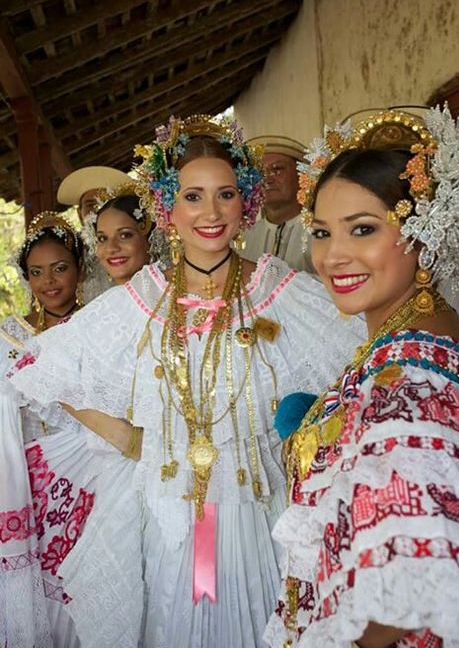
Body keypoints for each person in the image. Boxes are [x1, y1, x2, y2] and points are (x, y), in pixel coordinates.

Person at [7, 115, 365, 648]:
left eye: (224, 194)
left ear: (245, 201)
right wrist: (129, 438)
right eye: (193, 196)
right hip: (178, 512)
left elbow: (362, 350)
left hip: (260, 509)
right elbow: (42, 369)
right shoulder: (141, 299)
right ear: (168, 209)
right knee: (196, 614)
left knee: (262, 622)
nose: (211, 212)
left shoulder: (279, 288)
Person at [264, 105, 459, 647]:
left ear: (422, 232)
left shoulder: (408, 384)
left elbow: (401, 596)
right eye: (321, 231)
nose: (333, 256)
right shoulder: (430, 336)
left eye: (363, 229)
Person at [0, 213, 84, 648]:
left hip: (91, 481)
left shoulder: (100, 327)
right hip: (28, 486)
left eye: (59, 268)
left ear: (80, 268)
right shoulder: (11, 336)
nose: (49, 282)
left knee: (82, 589)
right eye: (36, 272)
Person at [57, 165, 131, 302]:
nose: (98, 211)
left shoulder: (136, 246)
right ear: (79, 214)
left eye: (105, 202)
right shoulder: (71, 252)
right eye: (91, 205)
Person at [244, 135, 314, 272]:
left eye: (277, 170)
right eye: (259, 172)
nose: (267, 180)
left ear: (301, 176)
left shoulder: (319, 231)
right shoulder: (244, 238)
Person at [85, 184, 170, 285]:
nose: (111, 248)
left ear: (152, 238)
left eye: (125, 235)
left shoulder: (178, 294)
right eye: (102, 238)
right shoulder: (103, 300)